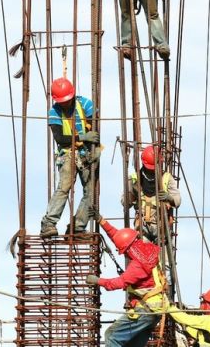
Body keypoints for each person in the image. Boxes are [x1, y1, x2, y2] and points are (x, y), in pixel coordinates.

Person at [88, 217, 163, 347]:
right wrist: (102, 221)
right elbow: (121, 238)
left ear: (128, 249)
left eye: (124, 252)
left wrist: (97, 280)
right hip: (154, 311)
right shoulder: (146, 249)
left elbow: (118, 283)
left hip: (145, 310)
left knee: (111, 335)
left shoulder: (138, 265)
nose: (124, 255)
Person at [40, 77, 99, 237]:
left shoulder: (85, 104)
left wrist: (94, 146)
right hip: (67, 154)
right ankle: (48, 223)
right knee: (64, 188)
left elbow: (95, 130)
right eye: (62, 101)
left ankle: (78, 227)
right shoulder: (54, 112)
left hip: (86, 154)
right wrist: (82, 137)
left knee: (91, 192)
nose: (65, 104)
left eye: (67, 100)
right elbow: (60, 139)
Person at [123, 144, 181, 242]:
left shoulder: (167, 178)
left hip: (162, 228)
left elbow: (177, 201)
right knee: (143, 255)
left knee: (164, 257)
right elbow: (125, 203)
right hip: (142, 227)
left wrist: (169, 198)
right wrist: (132, 193)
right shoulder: (134, 179)